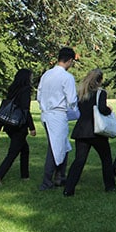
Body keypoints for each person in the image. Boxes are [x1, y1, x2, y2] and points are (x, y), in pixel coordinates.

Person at [63, 69, 116, 196]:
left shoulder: (81, 93)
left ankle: (69, 189)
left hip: (81, 130)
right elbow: (102, 109)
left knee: (79, 161)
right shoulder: (100, 93)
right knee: (106, 159)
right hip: (96, 131)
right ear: (100, 80)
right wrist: (109, 110)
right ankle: (110, 186)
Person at [37, 47, 78, 191]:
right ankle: (47, 181)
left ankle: (61, 176)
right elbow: (72, 99)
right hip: (58, 114)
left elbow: (39, 95)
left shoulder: (46, 75)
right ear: (69, 60)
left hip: (46, 114)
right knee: (55, 148)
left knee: (63, 145)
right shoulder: (67, 77)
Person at [0, 69, 37, 186]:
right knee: (13, 153)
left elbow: (7, 110)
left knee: (25, 149)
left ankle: (25, 175)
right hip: (19, 126)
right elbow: (26, 111)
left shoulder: (12, 89)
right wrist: (31, 127)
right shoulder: (25, 90)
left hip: (9, 125)